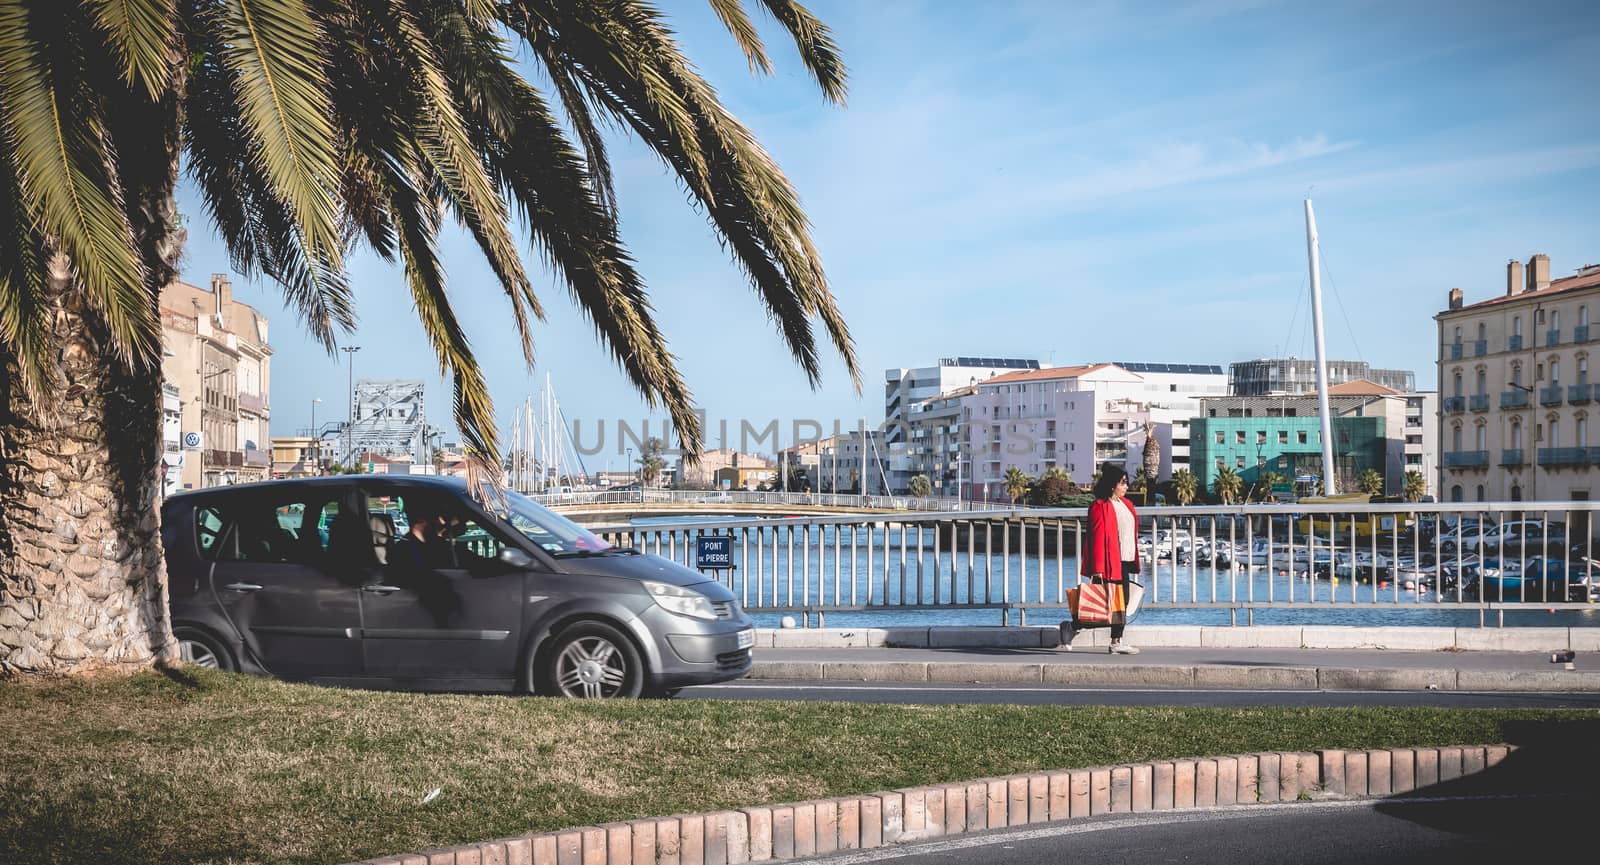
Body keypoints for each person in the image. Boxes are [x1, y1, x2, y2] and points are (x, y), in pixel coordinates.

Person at [1062, 463, 1141, 654]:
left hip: (1125, 560)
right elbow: (1095, 538)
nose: (1126, 487)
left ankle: (1116, 641)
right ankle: (1071, 627)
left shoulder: (1127, 504)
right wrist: (1097, 567)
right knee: (1103, 606)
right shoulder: (1099, 507)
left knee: (1121, 604)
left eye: (1126, 483)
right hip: (1108, 563)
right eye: (1122, 483)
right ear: (1112, 485)